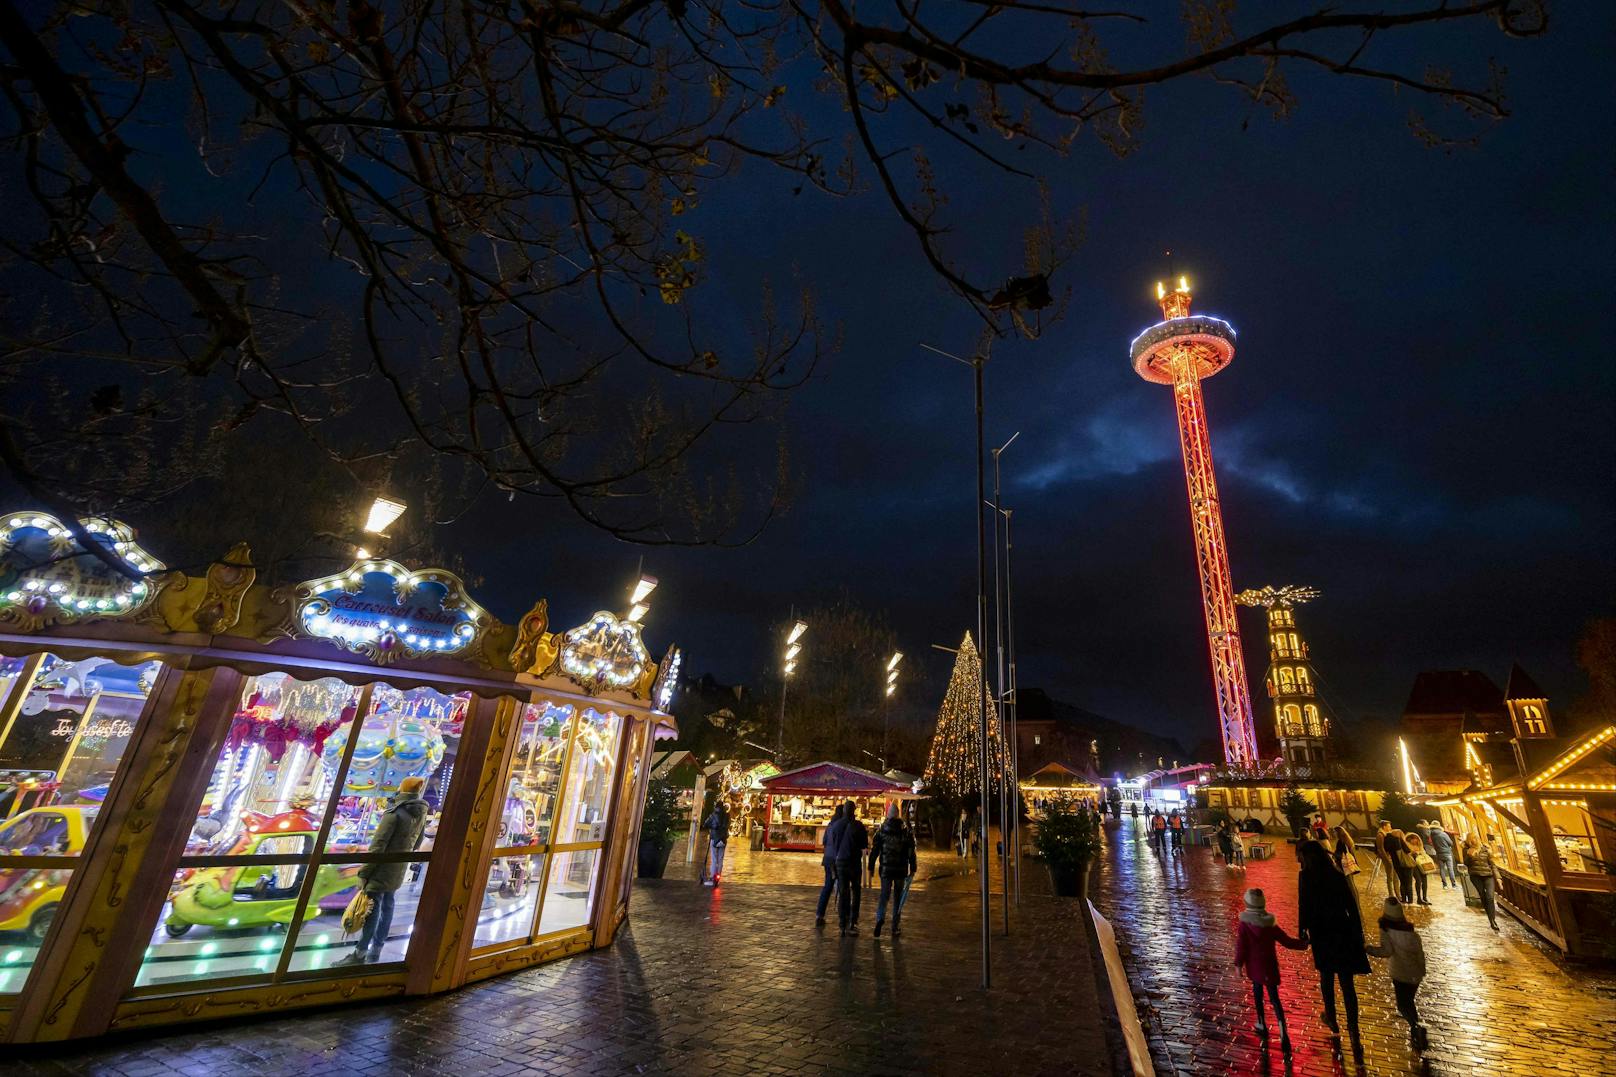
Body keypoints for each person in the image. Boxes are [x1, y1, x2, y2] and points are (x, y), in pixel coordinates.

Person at [335, 776, 430, 966]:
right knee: (388, 906)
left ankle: (360, 952)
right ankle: (376, 950)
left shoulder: (394, 813)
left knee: (370, 909)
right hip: (397, 869)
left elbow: (377, 846)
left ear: (402, 788)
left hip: (381, 868)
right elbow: (417, 843)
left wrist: (364, 872)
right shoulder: (420, 813)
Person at [1297, 841, 1369, 1047]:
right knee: (1347, 983)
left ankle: (1332, 1017)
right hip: (1343, 930)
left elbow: (1304, 904)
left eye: (1300, 855)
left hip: (1321, 932)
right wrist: (1358, 932)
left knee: (1326, 977)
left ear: (1309, 857)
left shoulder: (1306, 876)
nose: (1298, 859)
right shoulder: (1337, 875)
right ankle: (1353, 1028)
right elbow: (1351, 905)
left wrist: (1302, 929)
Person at [1233, 888, 1307, 1053]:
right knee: (1275, 999)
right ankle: (1282, 1029)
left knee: (1257, 994)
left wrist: (1238, 965)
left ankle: (1261, 1022)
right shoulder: (1270, 924)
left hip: (1255, 968)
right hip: (1270, 966)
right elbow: (1286, 941)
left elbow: (1241, 947)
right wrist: (1304, 944)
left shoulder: (1245, 925)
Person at [1365, 897, 1428, 1049]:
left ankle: (1415, 1027)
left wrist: (1368, 949)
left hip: (1400, 974)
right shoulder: (1412, 933)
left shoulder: (1387, 930)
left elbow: (1386, 951)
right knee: (1409, 1002)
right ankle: (1416, 1031)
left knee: (1402, 1005)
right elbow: (1420, 954)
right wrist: (1422, 969)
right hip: (1415, 974)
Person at [868, 804, 917, 937]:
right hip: (901, 869)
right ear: (898, 815)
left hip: (886, 869)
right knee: (898, 898)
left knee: (884, 896)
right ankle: (895, 926)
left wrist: (871, 866)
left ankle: (880, 918)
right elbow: (911, 851)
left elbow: (875, 850)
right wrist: (913, 867)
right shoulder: (905, 831)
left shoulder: (882, 830)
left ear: (888, 815)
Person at [815, 804, 849, 926]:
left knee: (827, 887)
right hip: (836, 859)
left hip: (827, 859)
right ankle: (843, 915)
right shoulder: (841, 826)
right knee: (842, 887)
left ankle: (820, 914)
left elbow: (824, 841)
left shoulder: (830, 825)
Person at [1463, 833, 1500, 930]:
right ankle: (1491, 919)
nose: (1474, 841)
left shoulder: (1485, 848)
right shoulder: (1467, 850)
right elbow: (1466, 864)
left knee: (1490, 897)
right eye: (1471, 840)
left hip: (1488, 876)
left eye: (1475, 838)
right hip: (1475, 876)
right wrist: (1469, 856)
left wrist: (1498, 878)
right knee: (1483, 896)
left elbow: (1492, 864)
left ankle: (1493, 920)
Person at [703, 798, 731, 887]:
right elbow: (727, 825)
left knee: (714, 858)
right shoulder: (727, 816)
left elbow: (705, 824)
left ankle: (712, 876)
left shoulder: (713, 815)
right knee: (720, 858)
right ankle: (718, 875)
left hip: (714, 839)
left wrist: (711, 826)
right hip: (723, 840)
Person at [1386, 829, 1416, 905]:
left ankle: (1404, 899)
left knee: (1402, 882)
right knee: (1409, 883)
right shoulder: (1399, 841)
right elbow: (1407, 850)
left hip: (1397, 865)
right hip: (1406, 864)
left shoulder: (1389, 842)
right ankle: (1410, 900)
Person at [1426, 819, 1458, 891]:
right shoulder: (1443, 834)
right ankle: (1454, 885)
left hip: (1438, 853)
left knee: (1442, 869)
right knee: (1450, 869)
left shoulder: (1432, 835)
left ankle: (1445, 885)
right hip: (1447, 853)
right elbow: (1450, 843)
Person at [1405, 831, 1431, 906]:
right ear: (1410, 839)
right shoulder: (1407, 845)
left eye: (1417, 839)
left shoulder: (1420, 845)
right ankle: (1419, 898)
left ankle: (1425, 897)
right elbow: (1407, 854)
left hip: (1422, 864)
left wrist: (1420, 852)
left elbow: (1423, 852)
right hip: (1414, 865)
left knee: (1425, 880)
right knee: (1418, 881)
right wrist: (1413, 853)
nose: (1416, 840)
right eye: (1414, 839)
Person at [1376, 820, 1398, 897]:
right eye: (1389, 826)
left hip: (1391, 857)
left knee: (1395, 876)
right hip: (1387, 857)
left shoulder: (1386, 834)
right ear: (1384, 826)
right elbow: (1380, 848)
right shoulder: (1380, 835)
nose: (1390, 828)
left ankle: (1397, 893)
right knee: (1390, 876)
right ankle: (1391, 894)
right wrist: (1387, 859)